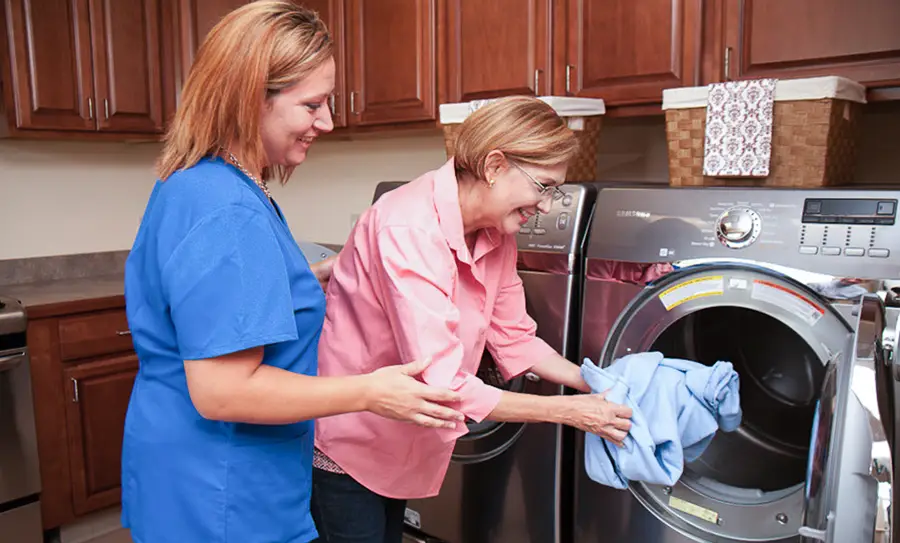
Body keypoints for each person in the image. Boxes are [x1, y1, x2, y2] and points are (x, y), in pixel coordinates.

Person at [120, 3, 464, 542]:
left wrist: (303, 276)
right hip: (227, 490)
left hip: (182, 470)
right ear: (251, 98)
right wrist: (369, 392)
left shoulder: (196, 184)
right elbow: (224, 392)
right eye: (312, 105)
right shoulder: (229, 210)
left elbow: (205, 303)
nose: (326, 121)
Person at [313, 96, 634, 543]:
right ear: (495, 166)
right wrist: (570, 411)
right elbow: (442, 381)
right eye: (543, 185)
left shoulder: (495, 233)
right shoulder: (408, 228)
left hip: (406, 436)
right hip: (351, 440)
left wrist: (595, 382)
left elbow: (516, 338)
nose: (545, 205)